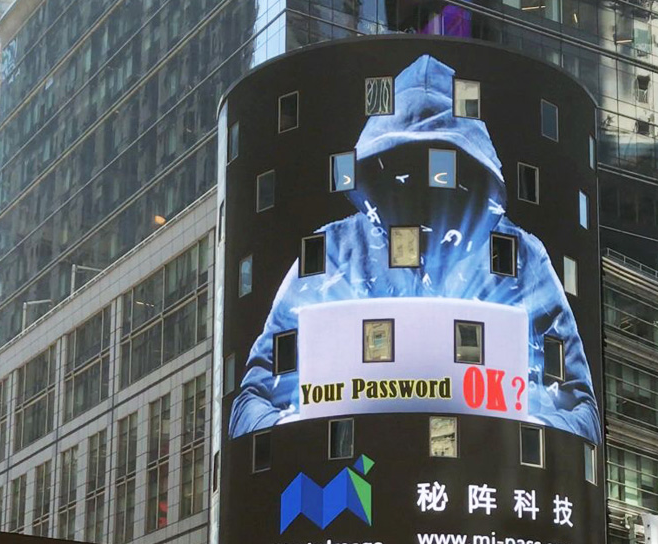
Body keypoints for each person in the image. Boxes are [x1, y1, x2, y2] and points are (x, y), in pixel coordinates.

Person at [229, 54, 600, 443]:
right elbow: (250, 403)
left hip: (480, 477)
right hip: (356, 473)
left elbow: (583, 414)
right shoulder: (331, 251)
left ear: (472, 174)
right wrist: (305, 432)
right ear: (377, 171)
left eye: (439, 169)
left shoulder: (523, 258)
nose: (422, 186)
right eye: (403, 170)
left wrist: (517, 430)